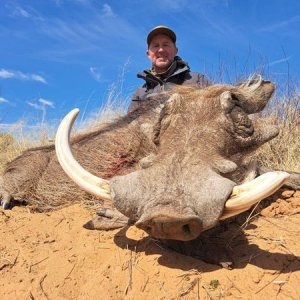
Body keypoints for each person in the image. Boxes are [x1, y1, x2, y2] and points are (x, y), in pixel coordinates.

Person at [128, 25, 209, 112]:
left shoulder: (199, 80)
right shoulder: (139, 93)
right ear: (148, 54)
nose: (161, 50)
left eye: (165, 45)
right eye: (155, 46)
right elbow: (129, 124)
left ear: (175, 50)